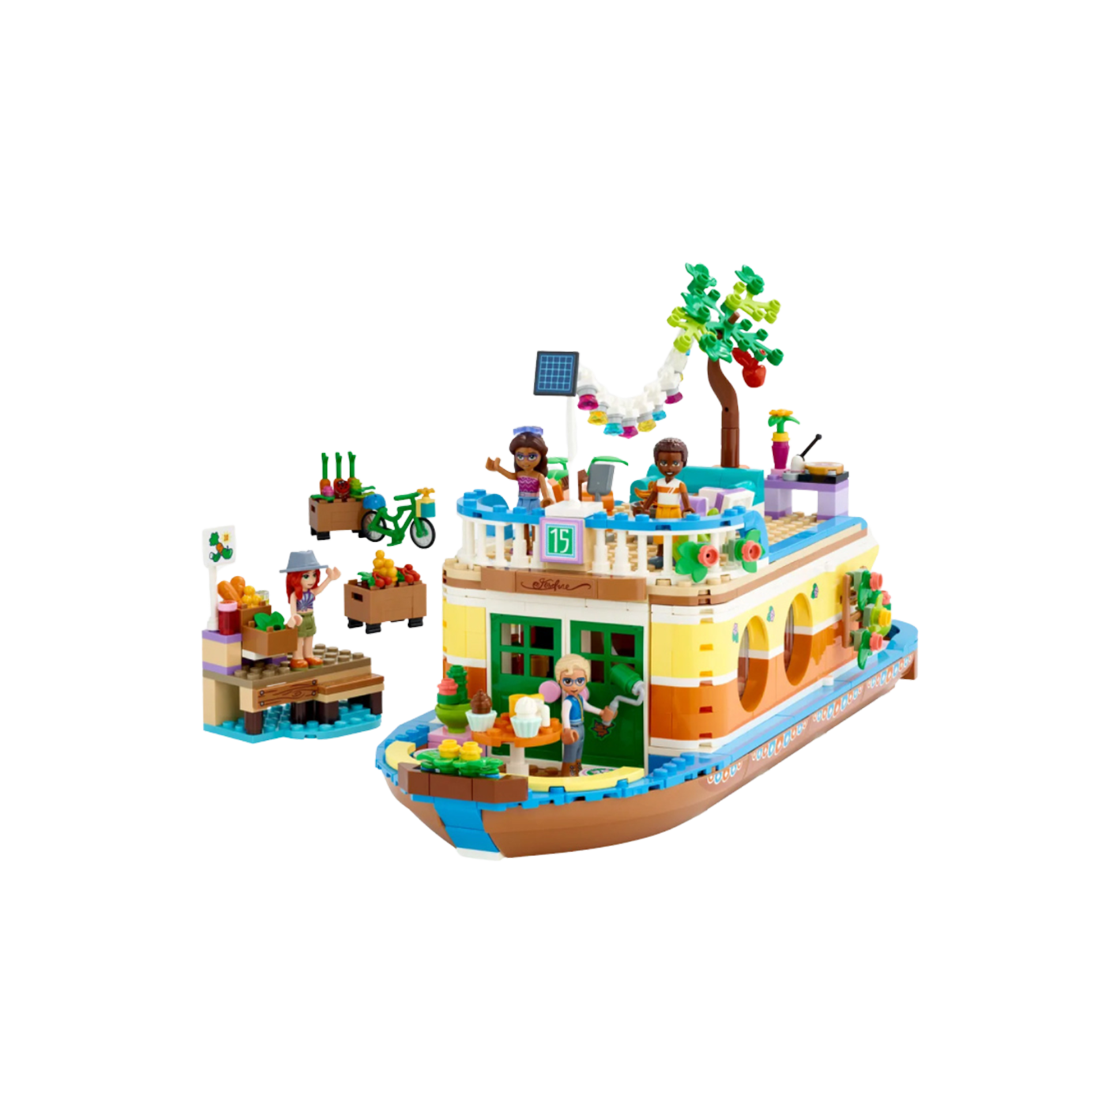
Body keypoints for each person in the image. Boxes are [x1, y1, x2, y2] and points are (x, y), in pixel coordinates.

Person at [485, 426, 553, 546]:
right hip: (521, 502)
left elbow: (544, 490)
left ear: (541, 457)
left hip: (534, 502)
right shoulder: (519, 474)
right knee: (522, 524)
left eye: (531, 456)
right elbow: (509, 475)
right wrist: (497, 468)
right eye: (520, 456)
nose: (525, 462)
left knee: (535, 524)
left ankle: (536, 545)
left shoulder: (539, 476)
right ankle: (525, 546)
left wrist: (546, 499)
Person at [554, 654, 614, 778]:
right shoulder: (567, 701)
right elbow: (564, 715)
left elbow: (587, 707)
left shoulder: (580, 698)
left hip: (581, 727)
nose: (574, 686)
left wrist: (601, 712)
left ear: (586, 680)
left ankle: (578, 769)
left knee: (579, 750)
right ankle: (568, 773)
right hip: (573, 729)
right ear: (559, 681)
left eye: (579, 681)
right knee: (570, 752)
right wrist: (567, 729)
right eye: (568, 681)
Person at [636, 437, 692, 562]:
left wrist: (687, 508)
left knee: (674, 534)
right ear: (657, 463)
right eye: (664, 463)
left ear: (683, 463)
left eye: (675, 463)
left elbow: (684, 498)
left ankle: (674, 554)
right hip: (661, 511)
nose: (669, 468)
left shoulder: (680, 484)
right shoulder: (658, 483)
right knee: (660, 533)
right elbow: (652, 497)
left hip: (674, 511)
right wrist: (645, 507)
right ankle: (660, 555)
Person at [284, 549, 342, 668]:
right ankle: (297, 657)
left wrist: (330, 578)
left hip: (310, 618)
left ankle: (308, 655)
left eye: (314, 575)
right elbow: (293, 609)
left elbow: (321, 588)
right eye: (306, 576)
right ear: (295, 578)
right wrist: (294, 617)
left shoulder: (311, 592)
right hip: (300, 619)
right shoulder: (295, 595)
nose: (312, 579)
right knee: (299, 638)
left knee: (310, 636)